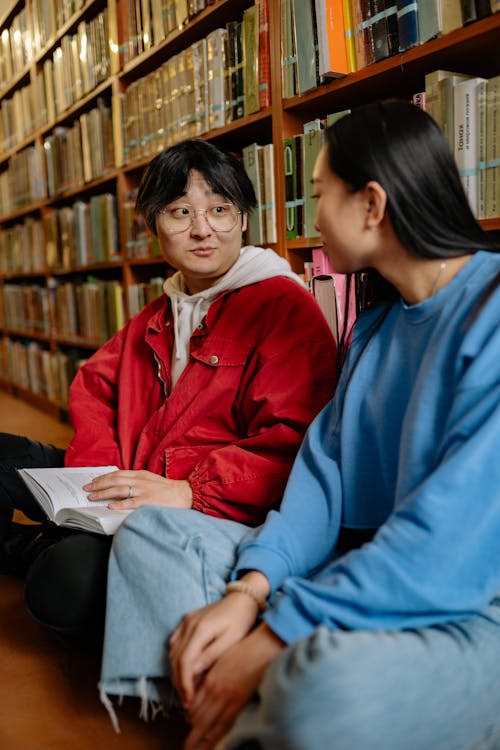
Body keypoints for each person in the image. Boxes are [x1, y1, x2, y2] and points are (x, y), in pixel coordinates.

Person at [99, 100, 500, 750]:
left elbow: (446, 549)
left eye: (319, 194)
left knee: (325, 688)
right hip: (359, 566)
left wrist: (276, 632)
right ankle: (236, 702)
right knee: (153, 532)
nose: (310, 218)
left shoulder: (492, 314)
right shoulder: (375, 325)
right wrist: (251, 592)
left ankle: (258, 695)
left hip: (469, 603)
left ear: (371, 205)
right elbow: (322, 481)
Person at [0, 138, 337, 643]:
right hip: (124, 483)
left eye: (220, 210)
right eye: (180, 212)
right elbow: (95, 385)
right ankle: (58, 535)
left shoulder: (283, 308)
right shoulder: (163, 308)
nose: (202, 229)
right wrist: (101, 472)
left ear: (244, 220)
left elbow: (293, 440)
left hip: (198, 508)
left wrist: (189, 491)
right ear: (155, 224)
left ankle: (40, 545)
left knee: (61, 592)